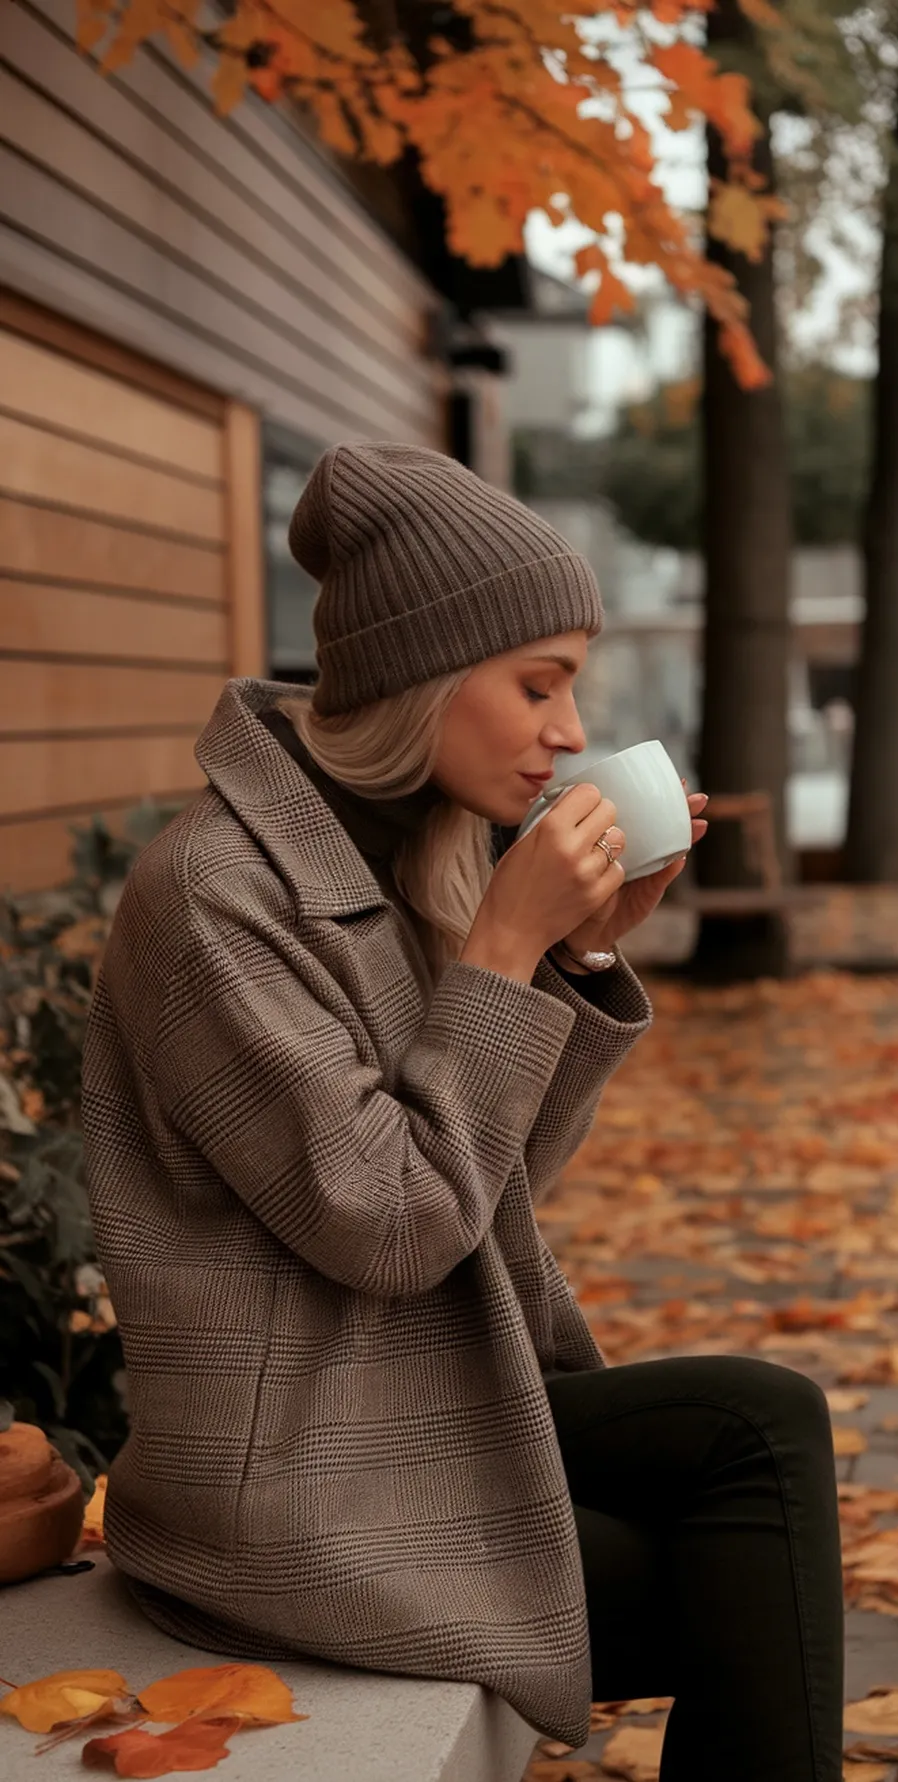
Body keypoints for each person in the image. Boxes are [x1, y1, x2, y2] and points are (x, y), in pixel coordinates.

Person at [81, 444, 843, 1780]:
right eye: (536, 683)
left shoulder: (409, 843)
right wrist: (498, 952)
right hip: (297, 1476)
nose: (568, 729)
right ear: (423, 676)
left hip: (415, 1394)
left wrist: (574, 956)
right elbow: (390, 1228)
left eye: (575, 687)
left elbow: (480, 1187)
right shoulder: (211, 895)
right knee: (738, 1567)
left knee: (763, 1421)